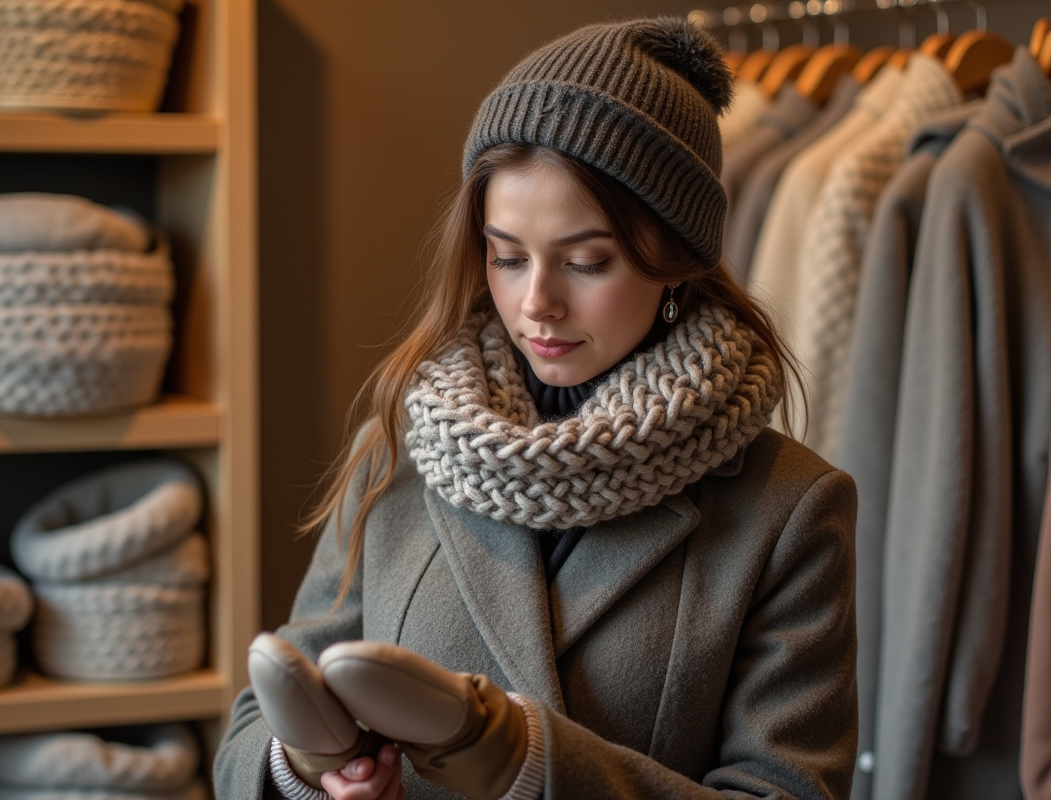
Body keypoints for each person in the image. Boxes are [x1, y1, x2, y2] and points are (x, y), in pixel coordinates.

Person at [215, 16, 858, 800]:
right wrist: (309, 769)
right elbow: (252, 724)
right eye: (506, 255)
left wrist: (523, 758)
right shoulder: (406, 444)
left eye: (587, 261)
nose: (536, 303)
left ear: (676, 264)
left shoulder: (788, 510)